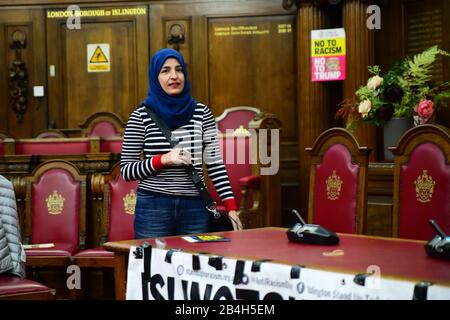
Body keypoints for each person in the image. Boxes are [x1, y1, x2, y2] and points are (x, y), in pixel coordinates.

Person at [121, 48, 242, 239]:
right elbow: (127, 170)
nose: (174, 76)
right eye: (165, 70)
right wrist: (163, 159)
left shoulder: (202, 113)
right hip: (154, 207)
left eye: (179, 69)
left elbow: (215, 165)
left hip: (195, 207)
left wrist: (231, 207)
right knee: (152, 266)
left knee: (194, 267)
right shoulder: (140, 116)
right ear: (155, 77)